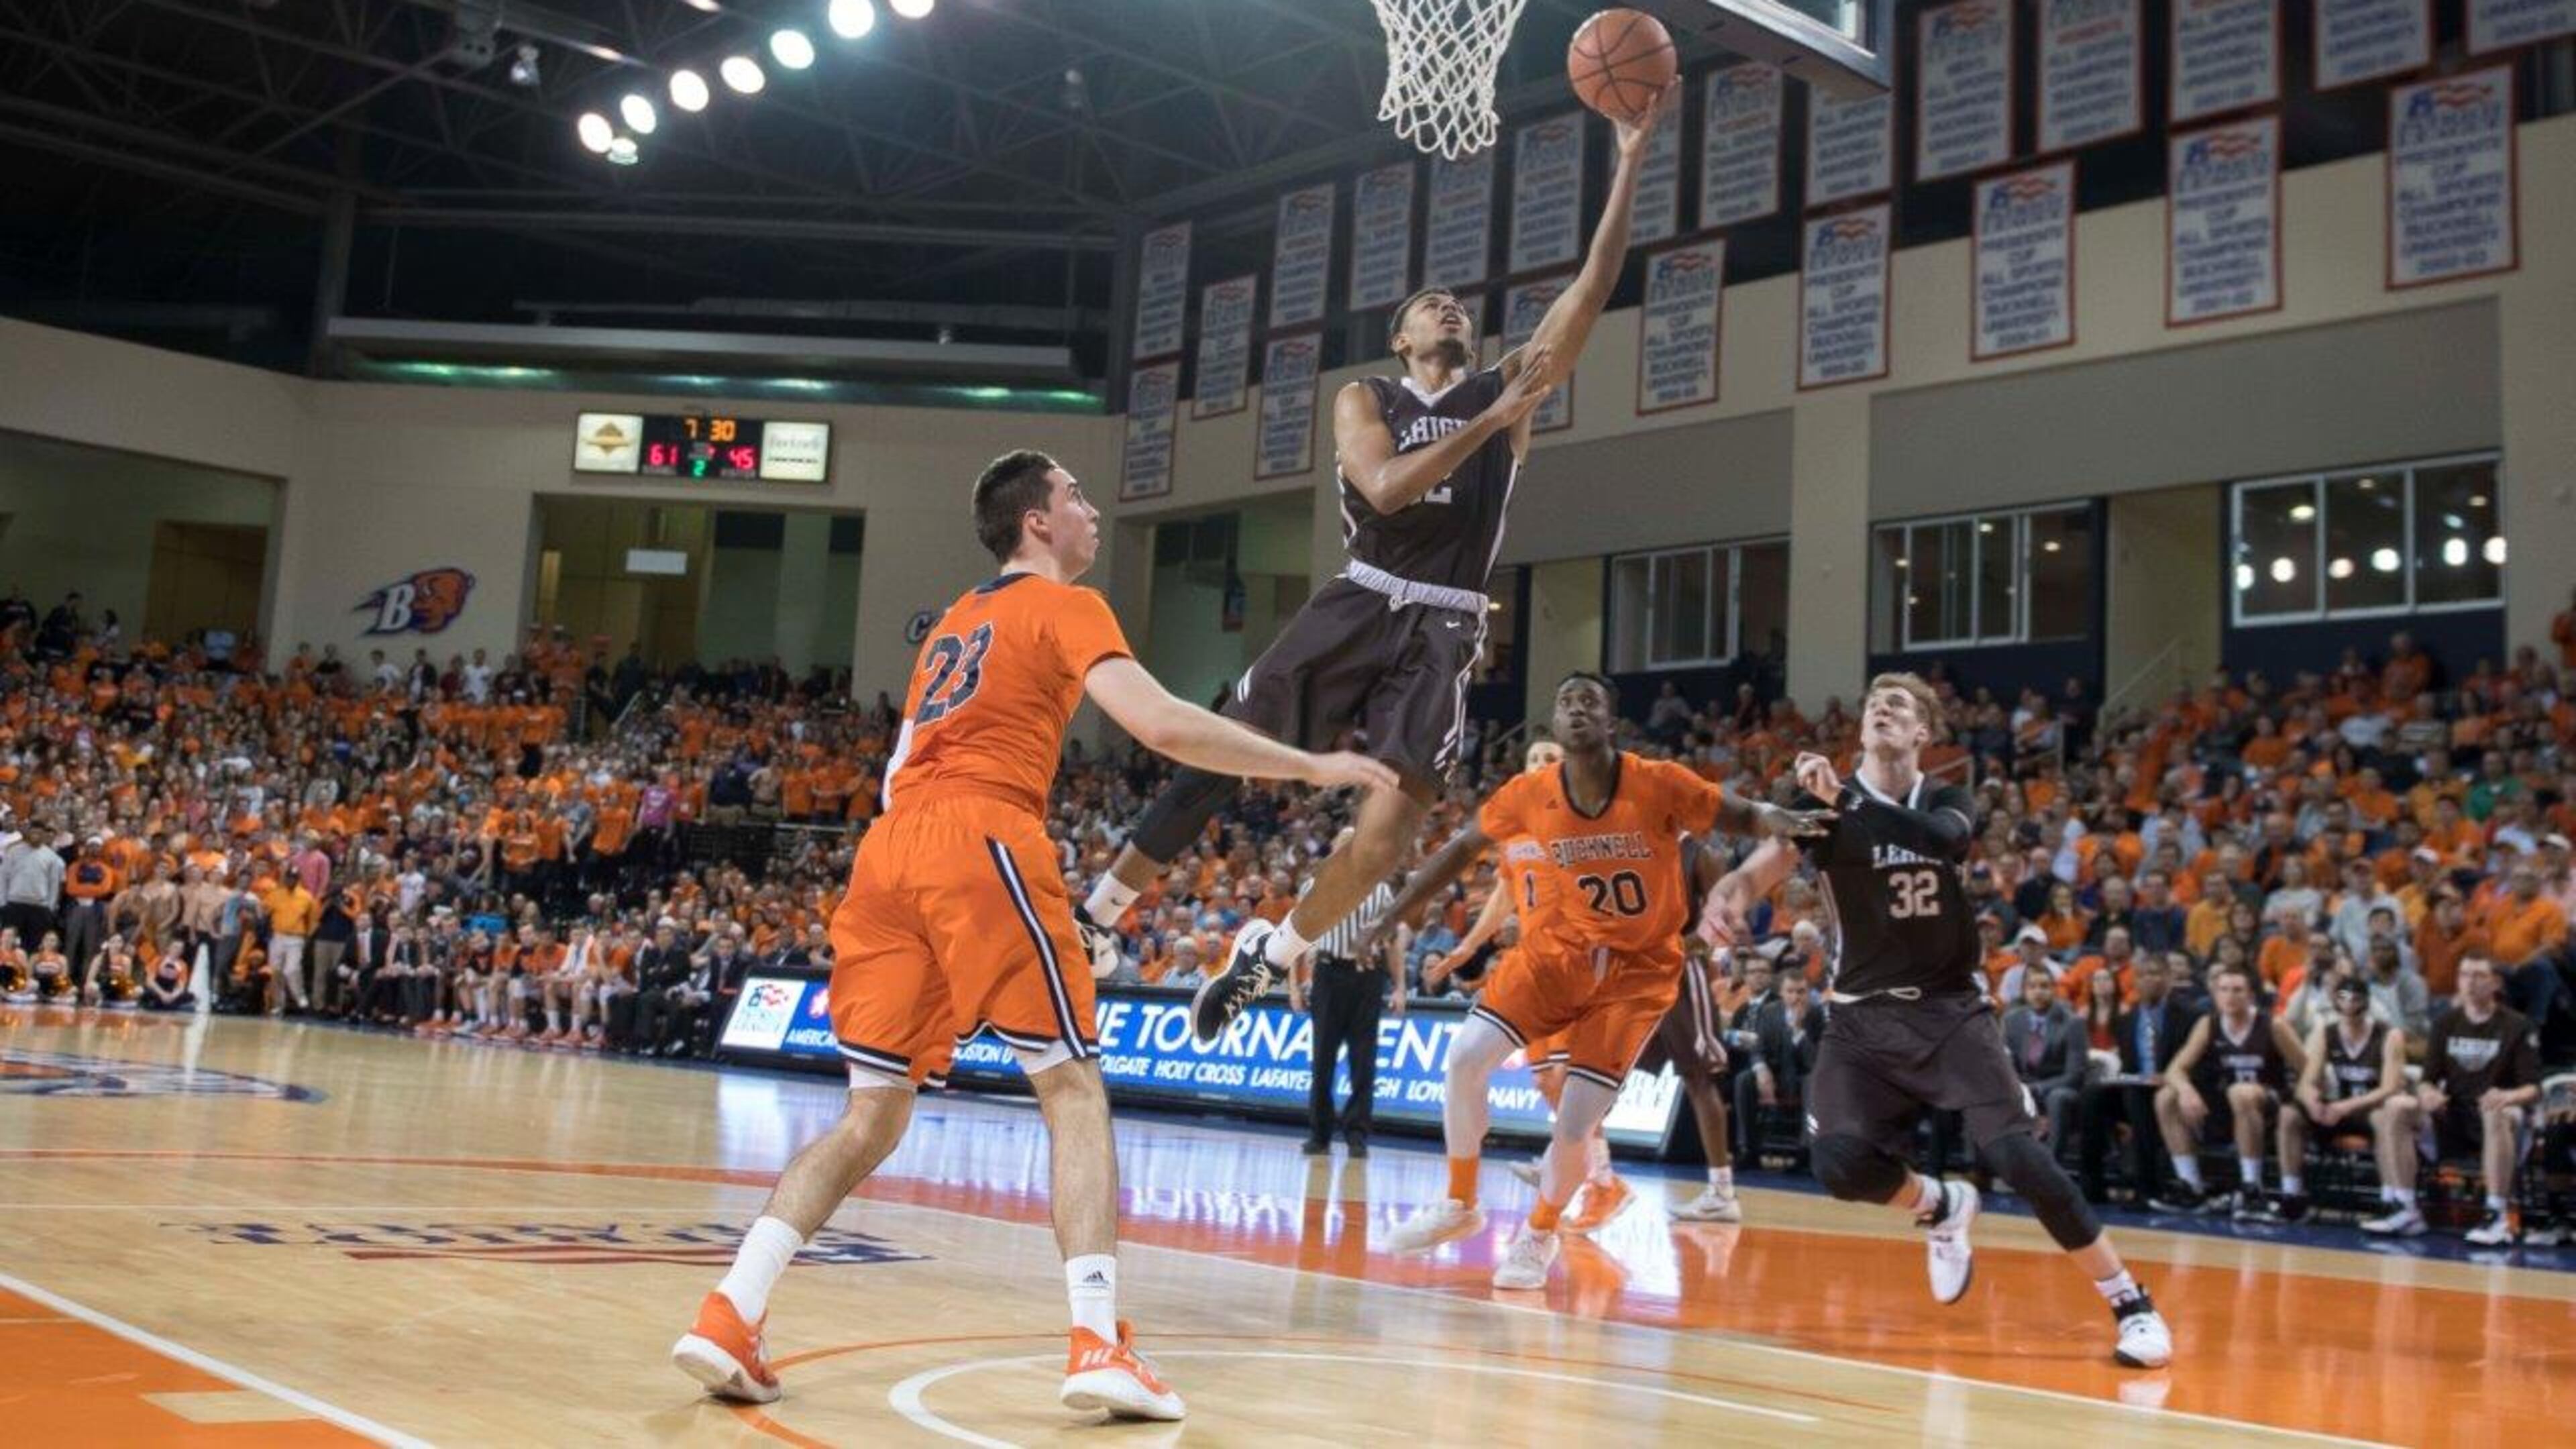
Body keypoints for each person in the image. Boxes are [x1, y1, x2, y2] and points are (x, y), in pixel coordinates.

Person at [672, 450, 1393, 1422]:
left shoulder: (954, 625)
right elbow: (1165, 726)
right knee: (1072, 1087)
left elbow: (896, 777)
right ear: (1039, 525)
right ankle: (1099, 1340)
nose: (1093, 510)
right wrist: (1305, 765)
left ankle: (730, 1311)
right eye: (1078, 497)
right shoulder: (1063, 605)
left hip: (889, 855)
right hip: (981, 834)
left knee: (871, 1116)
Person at [1077, 90, 1675, 1049]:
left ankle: (1270, 955)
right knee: (1222, 747)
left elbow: (1591, 292)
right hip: (1362, 595)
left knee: (1391, 833)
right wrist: (1486, 424)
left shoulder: (1505, 386)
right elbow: (1388, 491)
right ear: (1402, 338)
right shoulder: (1368, 395)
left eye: (1455, 305)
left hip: (1445, 618)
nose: (1447, 305)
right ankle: (1098, 915)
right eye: (1426, 304)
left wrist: (1633, 159)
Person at [1703, 673, 2174, 1368]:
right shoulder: (1818, 807)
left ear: (1924, 732)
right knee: (1837, 1164)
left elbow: (1938, 843)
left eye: (1900, 706)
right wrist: (1729, 894)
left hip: (1950, 1012)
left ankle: (2130, 1301)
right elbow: (1758, 868)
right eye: (1874, 706)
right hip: (1862, 1021)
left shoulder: (1945, 798)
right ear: (1861, 731)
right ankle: (1939, 1204)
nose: (1883, 711)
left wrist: (1847, 798)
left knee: (2017, 1154)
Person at [1365, 672, 1827, 1291]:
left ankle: (1540, 1232)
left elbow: (1737, 812)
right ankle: (1459, 1201)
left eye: (1590, 702)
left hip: (1637, 974)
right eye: (1565, 699)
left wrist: (1777, 815)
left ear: (1611, 724)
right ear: (1554, 725)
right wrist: (1398, 911)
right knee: (1464, 1058)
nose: (1576, 707)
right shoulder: (1529, 793)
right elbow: (1460, 847)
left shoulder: (1658, 782)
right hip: (1558, 954)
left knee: (1576, 1125)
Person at [2374, 956, 2542, 1242]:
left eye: (2478, 975)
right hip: (2453, 1116)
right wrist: (2428, 1093)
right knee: (2395, 1107)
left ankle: (2497, 1215)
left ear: (2495, 983)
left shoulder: (2518, 1026)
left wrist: (2507, 1095)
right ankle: (2406, 1207)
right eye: (2464, 975)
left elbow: (2533, 1089)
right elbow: (2427, 1078)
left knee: (2496, 1112)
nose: (2470, 982)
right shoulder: (2445, 1023)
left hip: (2501, 1120)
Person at [2249, 971, 2408, 1225]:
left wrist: (2344, 1107)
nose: (2349, 1005)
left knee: (2382, 1118)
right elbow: (2307, 1081)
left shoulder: (2389, 1035)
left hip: (2369, 1109)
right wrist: (2312, 1100)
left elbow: (2389, 1088)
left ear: (2366, 1002)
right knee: (2289, 1114)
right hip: (2338, 1109)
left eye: (2355, 1000)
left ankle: (2390, 1200)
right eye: (2343, 1000)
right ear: (2335, 1003)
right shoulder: (2327, 1033)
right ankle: (2292, 1195)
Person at [2150, 963, 2306, 1214]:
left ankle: (2252, 1188)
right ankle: (2192, 1187)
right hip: (2228, 1106)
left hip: (2271, 1105)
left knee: (2241, 1093)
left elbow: (2308, 1070)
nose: (2230, 996)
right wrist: (2187, 1091)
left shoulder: (2274, 1025)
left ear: (2251, 995)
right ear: (2214, 994)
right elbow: (2175, 1069)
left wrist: (2301, 1106)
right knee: (2167, 1096)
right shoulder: (2208, 1024)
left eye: (2237, 990)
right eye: (2223, 990)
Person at [1290, 834, 1403, 1158]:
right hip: (1327, 973)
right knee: (1322, 1059)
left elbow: (1392, 941)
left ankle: (1357, 1134)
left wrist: (1400, 987)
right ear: (1335, 848)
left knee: (1363, 1060)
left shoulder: (1380, 889)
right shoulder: (1313, 887)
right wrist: (1295, 986)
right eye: (1344, 844)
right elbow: (1296, 936)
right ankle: (1320, 1134)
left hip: (1367, 976)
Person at [2079, 954, 2198, 1203]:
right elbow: (2128, 1065)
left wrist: (2167, 1078)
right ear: (2135, 981)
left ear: (2169, 978)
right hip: (2137, 1087)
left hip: (2172, 1091)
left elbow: (2197, 1063)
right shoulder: (2125, 1021)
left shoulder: (2190, 1016)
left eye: (2156, 973)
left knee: (2137, 1096)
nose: (2149, 979)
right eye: (2143, 975)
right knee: (2093, 1094)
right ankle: (2091, 1185)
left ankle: (2147, 1187)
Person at [2002, 968, 2090, 1163]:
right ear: (2024, 991)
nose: (2038, 992)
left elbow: (2074, 1075)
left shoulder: (2073, 1023)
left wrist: (2035, 1089)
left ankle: (2051, 1169)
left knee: (2057, 1098)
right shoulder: (2012, 1020)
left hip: (2059, 1089)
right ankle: (1982, 1169)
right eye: (2032, 987)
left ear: (2054, 990)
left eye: (2044, 986)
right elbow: (2006, 1065)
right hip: (2023, 1088)